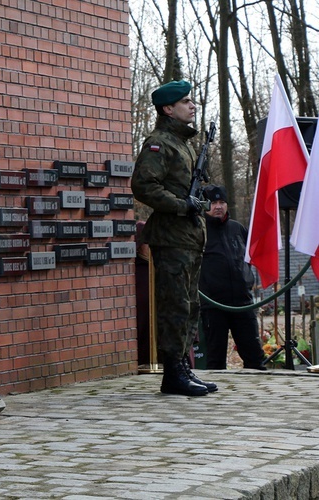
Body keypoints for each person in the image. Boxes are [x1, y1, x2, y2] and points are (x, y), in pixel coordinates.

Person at [131, 80, 217, 397]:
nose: (192, 105)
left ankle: (182, 367)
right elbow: (144, 186)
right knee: (174, 306)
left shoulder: (184, 144)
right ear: (168, 108)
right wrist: (183, 205)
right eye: (186, 101)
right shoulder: (159, 143)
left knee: (190, 306)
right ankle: (172, 373)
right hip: (171, 238)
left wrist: (198, 203)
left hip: (189, 237)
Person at [199, 185, 267, 370]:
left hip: (242, 303)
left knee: (255, 359)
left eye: (222, 202)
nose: (218, 206)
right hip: (214, 305)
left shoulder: (238, 229)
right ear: (206, 205)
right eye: (213, 203)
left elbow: (250, 258)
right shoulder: (199, 230)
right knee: (215, 360)